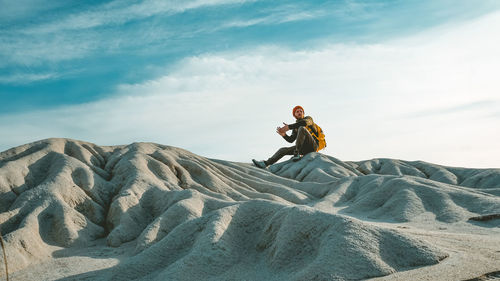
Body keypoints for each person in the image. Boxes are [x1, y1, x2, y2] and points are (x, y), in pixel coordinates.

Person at [252, 105, 324, 168]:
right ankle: (265, 163)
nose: (299, 112)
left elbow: (304, 123)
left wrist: (289, 127)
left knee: (302, 128)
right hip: (303, 148)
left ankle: (297, 153)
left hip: (313, 146)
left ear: (303, 113)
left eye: (301, 111)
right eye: (297, 112)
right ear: (294, 115)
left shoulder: (309, 119)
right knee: (283, 150)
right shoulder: (296, 127)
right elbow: (291, 140)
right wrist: (284, 135)